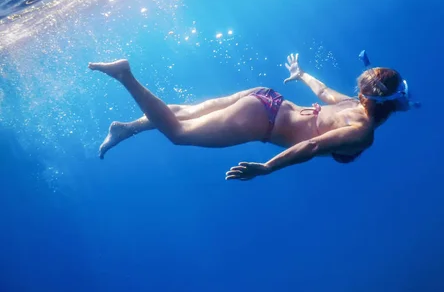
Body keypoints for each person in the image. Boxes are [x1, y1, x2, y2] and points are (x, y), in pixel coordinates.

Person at [89, 52, 420, 180]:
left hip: (265, 97)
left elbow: (323, 92)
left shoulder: (353, 103)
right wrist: (267, 168)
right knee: (178, 132)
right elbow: (313, 147)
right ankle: (125, 76)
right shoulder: (363, 132)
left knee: (186, 113)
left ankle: (126, 130)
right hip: (261, 120)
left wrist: (301, 74)